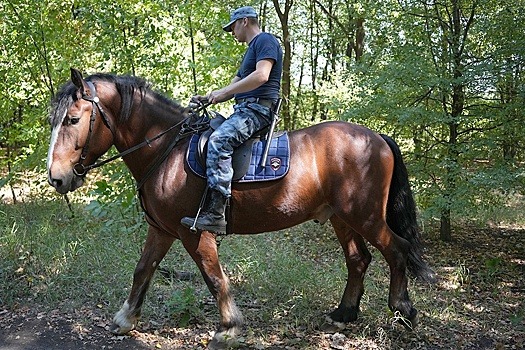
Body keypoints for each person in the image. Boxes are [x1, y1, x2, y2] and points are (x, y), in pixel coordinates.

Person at [181, 5, 283, 234]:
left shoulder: (265, 40)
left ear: (244, 21)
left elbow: (262, 75)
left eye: (232, 27)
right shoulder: (250, 51)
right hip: (245, 109)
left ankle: (216, 214)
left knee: (219, 140)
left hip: (258, 110)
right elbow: (232, 87)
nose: (232, 33)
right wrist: (209, 97)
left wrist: (221, 95)